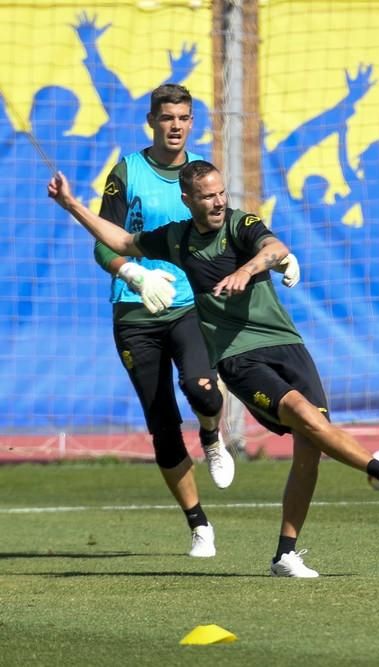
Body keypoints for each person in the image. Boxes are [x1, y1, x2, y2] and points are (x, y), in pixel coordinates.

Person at [49, 160, 379, 578]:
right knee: (299, 411)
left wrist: (249, 268)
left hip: (286, 343)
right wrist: (72, 205)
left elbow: (275, 247)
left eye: (221, 192)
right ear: (187, 200)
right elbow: (121, 240)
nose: (218, 201)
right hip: (237, 356)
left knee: (311, 443)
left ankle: (285, 555)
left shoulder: (241, 224)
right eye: (207, 196)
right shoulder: (177, 239)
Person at [91, 84, 236, 559]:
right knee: (163, 423)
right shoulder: (127, 172)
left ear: (192, 122)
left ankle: (212, 436)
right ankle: (199, 525)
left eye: (183, 117)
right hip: (135, 315)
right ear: (151, 121)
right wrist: (134, 274)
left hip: (189, 307)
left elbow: (225, 232)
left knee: (203, 393)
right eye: (167, 117)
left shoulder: (200, 176)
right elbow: (104, 245)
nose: (175, 125)